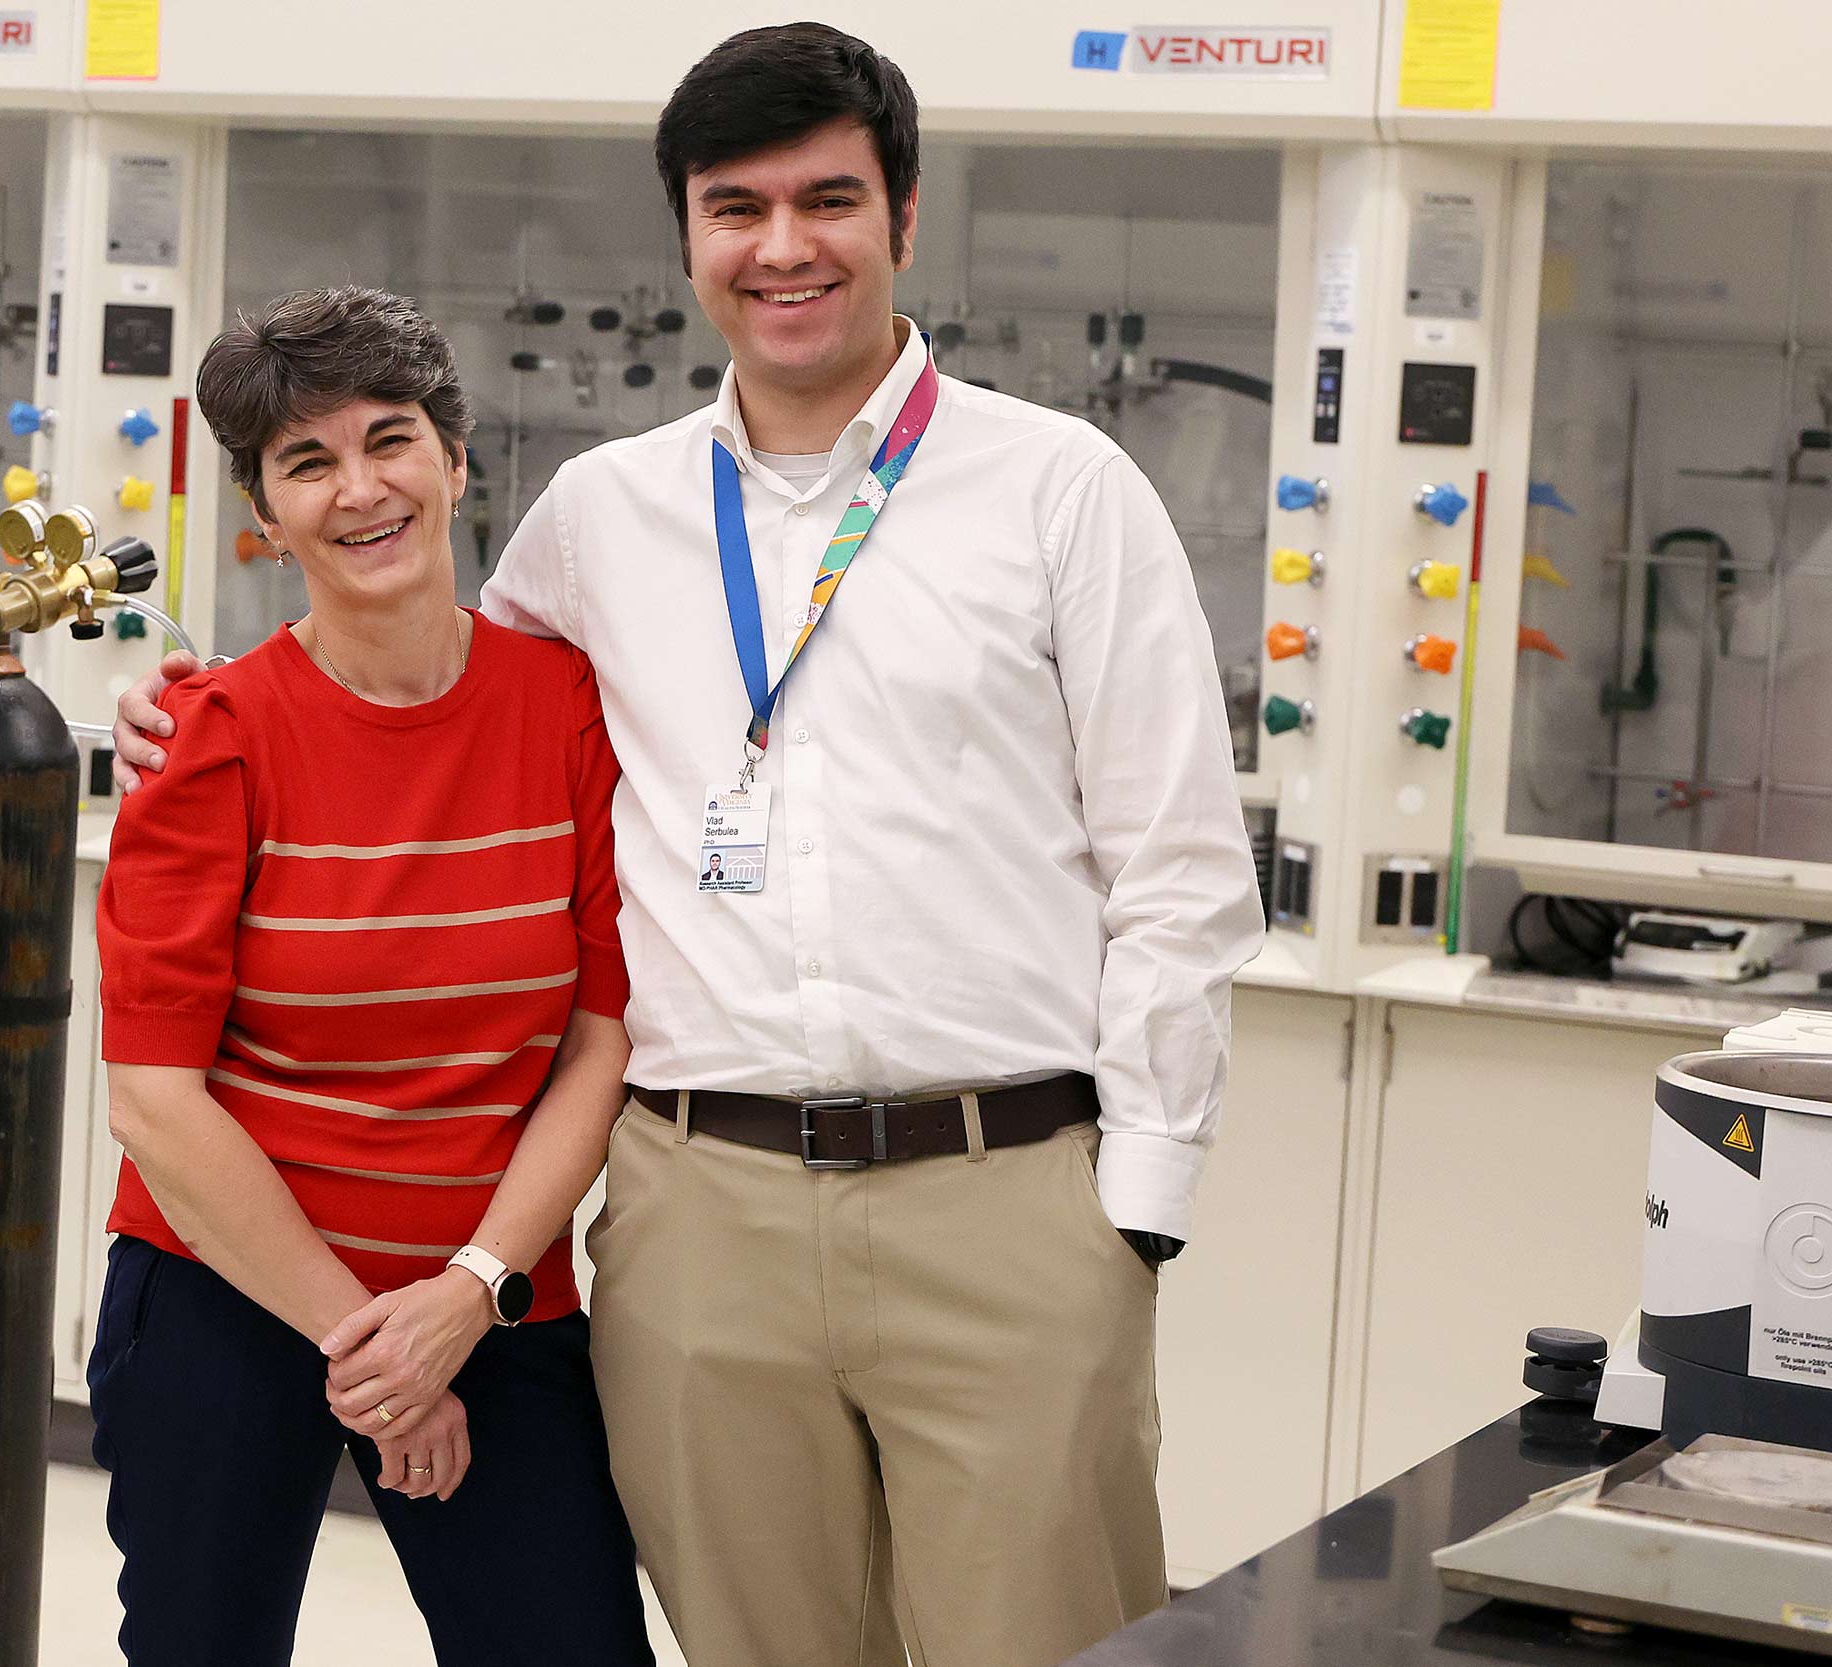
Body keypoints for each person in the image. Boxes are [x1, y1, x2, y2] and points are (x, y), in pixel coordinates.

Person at [114, 25, 1264, 1667]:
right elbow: (416, 694)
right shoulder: (603, 515)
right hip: (696, 1215)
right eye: (738, 207)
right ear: (689, 238)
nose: (783, 248)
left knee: (1048, 1646)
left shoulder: (1060, 490)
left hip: (1002, 1193)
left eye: (828, 201)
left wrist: (1133, 1206)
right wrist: (174, 708)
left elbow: (1181, 869)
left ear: (905, 219)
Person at [90, 284, 653, 1667]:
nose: (360, 489)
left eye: (389, 439)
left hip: (490, 1290)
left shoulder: (570, 710)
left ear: (457, 463)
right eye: (306, 462)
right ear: (263, 516)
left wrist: (463, 1297)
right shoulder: (207, 742)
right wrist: (379, 1361)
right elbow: (156, 1103)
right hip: (230, 1291)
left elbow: (600, 1037)